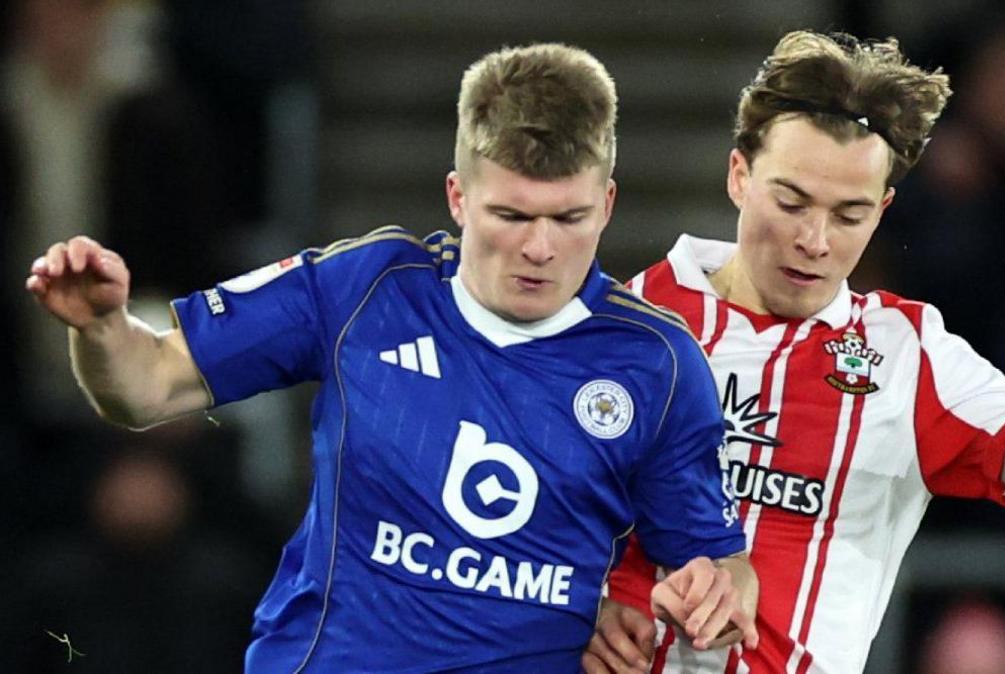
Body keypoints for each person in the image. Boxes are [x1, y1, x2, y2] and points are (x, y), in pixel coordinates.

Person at [26, 43, 758, 672]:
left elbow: (713, 560)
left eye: (568, 218)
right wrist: (99, 328)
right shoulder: (365, 289)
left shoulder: (655, 364)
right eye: (510, 215)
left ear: (607, 203)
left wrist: (713, 593)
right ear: (457, 198)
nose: (540, 248)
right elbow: (144, 385)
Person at [585, 31, 1005, 674]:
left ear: (883, 208)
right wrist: (583, 612)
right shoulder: (618, 323)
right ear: (739, 177)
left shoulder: (910, 360)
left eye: (849, 215)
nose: (814, 239)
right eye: (791, 201)